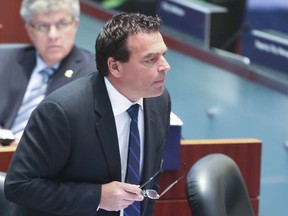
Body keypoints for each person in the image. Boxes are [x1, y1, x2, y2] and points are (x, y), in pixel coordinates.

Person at [5, 12, 171, 216]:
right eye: (150, 60)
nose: (165, 66)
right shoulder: (63, 112)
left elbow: (150, 178)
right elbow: (20, 186)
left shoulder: (159, 100)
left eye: (163, 55)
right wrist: (97, 196)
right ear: (115, 67)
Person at [0, 0, 96, 145]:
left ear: (75, 25)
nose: (53, 35)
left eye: (62, 24)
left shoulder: (94, 73)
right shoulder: (4, 59)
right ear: (29, 29)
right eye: (43, 26)